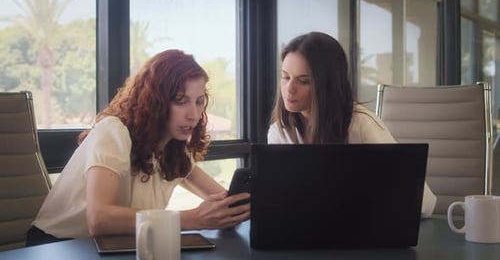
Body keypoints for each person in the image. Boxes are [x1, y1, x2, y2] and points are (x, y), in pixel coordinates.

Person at [27, 49, 250, 246]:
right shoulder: (113, 131)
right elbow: (99, 219)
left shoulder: (174, 149)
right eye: (181, 100)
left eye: (199, 101)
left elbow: (223, 199)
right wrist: (194, 218)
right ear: (156, 101)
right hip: (58, 247)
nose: (193, 114)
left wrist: (250, 206)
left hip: (118, 246)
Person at [267, 32, 436, 217]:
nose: (290, 88)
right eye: (285, 77)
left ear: (327, 85)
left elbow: (424, 204)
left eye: (304, 81)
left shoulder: (361, 125)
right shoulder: (279, 132)